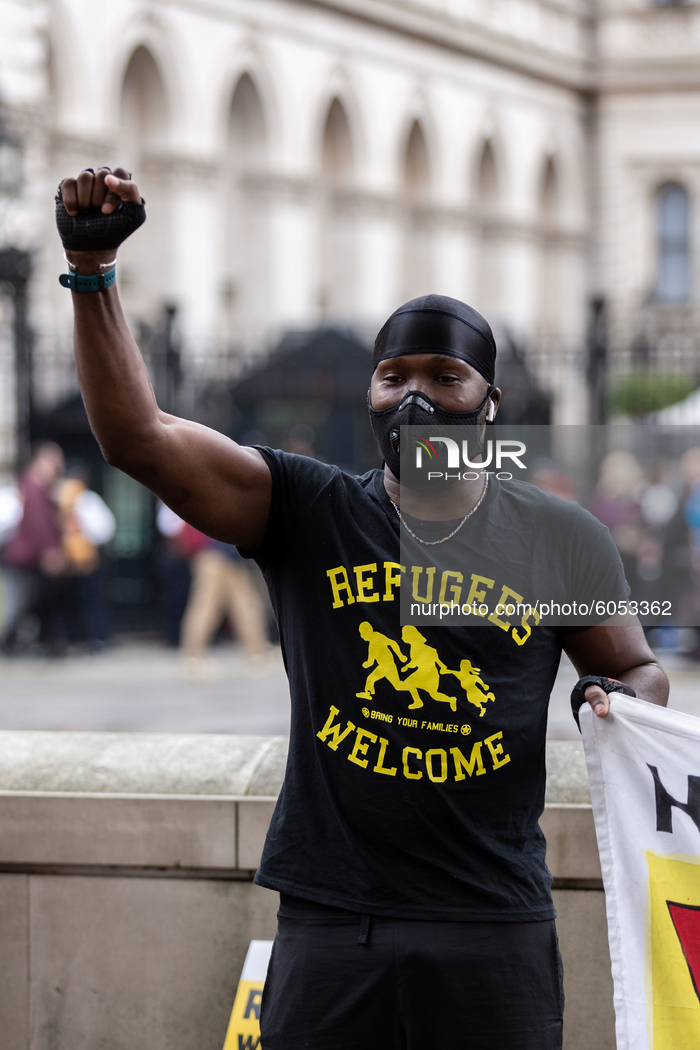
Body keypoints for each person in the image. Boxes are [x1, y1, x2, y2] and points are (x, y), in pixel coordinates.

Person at [56, 167, 669, 1050]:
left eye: (445, 377)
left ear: (490, 406)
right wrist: (92, 268)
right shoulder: (307, 508)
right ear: (372, 396)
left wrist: (619, 705)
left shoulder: (559, 538)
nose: (414, 396)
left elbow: (635, 667)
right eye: (393, 376)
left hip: (490, 925)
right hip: (334, 920)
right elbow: (138, 438)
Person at [1, 442, 67, 654]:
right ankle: (12, 642)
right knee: (23, 601)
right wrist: (50, 550)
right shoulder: (32, 487)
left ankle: (29, 640)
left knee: (33, 600)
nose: (58, 468)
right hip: (24, 557)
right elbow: (37, 523)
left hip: (28, 556)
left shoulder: (38, 488)